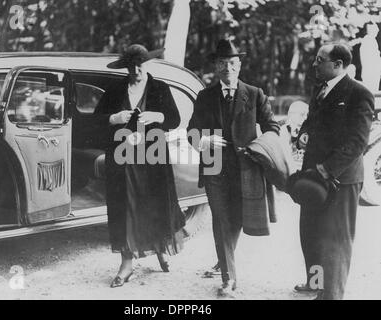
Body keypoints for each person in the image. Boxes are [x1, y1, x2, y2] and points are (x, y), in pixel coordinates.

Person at [187, 39, 280, 297]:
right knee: (221, 218)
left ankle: (224, 259)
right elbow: (190, 132)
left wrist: (257, 146)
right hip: (215, 167)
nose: (227, 67)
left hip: (245, 168)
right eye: (222, 63)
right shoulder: (205, 96)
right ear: (216, 66)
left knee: (236, 218)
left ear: (239, 65)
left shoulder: (255, 93)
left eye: (232, 63)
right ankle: (229, 278)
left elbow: (273, 127)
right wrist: (204, 140)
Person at [94, 44, 185, 288]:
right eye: (132, 65)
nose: (137, 69)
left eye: (141, 64)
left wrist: (157, 117)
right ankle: (126, 264)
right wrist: (115, 118)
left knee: (154, 203)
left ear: (148, 63)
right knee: (125, 208)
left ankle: (160, 249)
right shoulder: (115, 90)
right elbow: (95, 122)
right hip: (122, 158)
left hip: (152, 156)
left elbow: (174, 119)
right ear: (126, 67)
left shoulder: (159, 88)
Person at [295, 43, 374, 300]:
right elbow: (310, 121)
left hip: (341, 179)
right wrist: (304, 134)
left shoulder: (358, 93)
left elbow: (357, 142)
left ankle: (331, 296)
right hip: (313, 178)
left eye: (320, 60)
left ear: (338, 65)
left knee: (336, 240)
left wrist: (326, 169)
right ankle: (316, 284)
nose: (314, 64)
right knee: (311, 233)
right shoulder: (320, 88)